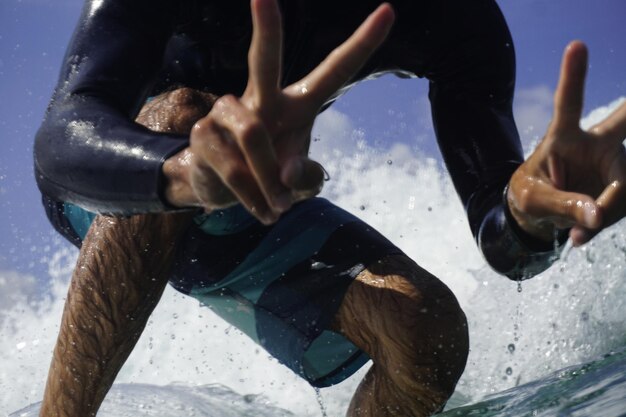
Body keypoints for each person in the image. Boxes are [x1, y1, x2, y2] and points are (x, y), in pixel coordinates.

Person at [33, 0, 626, 416]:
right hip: (110, 187)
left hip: (243, 214)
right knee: (183, 114)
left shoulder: (455, 21)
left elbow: (504, 242)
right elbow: (64, 137)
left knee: (427, 330)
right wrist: (180, 171)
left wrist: (529, 220)